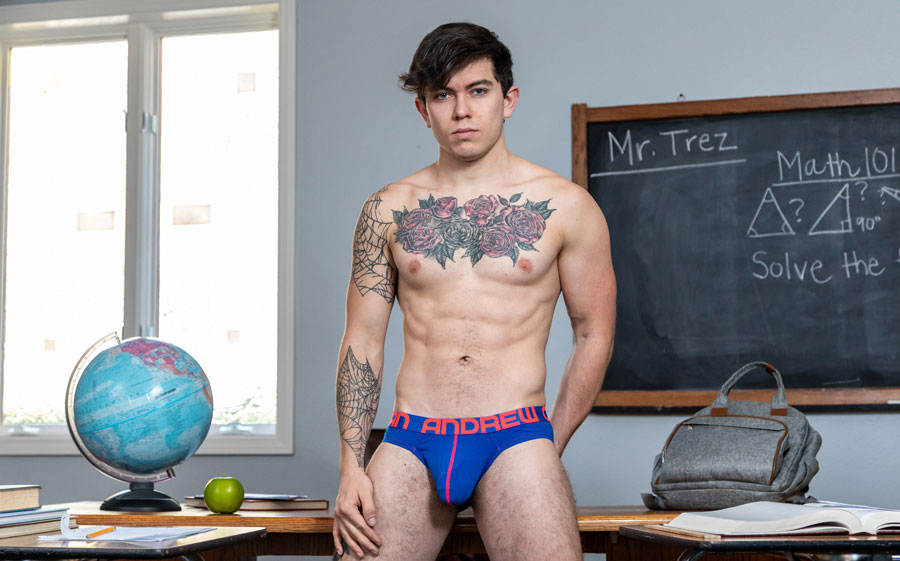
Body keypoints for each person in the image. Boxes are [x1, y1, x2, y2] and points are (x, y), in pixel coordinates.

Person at [333, 22, 616, 561]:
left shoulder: (567, 206)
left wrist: (548, 444)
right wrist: (350, 467)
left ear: (508, 99)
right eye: (443, 95)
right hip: (412, 437)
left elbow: (593, 333)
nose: (461, 111)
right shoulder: (386, 210)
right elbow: (362, 342)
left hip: (516, 434)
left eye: (478, 91)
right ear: (424, 109)